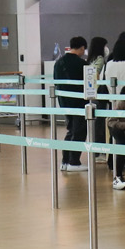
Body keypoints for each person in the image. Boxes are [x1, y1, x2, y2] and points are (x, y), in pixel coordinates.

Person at [52, 36, 89, 168]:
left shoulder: (58, 63)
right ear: (82, 48)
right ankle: (74, 162)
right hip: (79, 103)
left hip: (64, 102)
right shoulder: (82, 64)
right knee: (79, 131)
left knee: (71, 130)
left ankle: (65, 161)